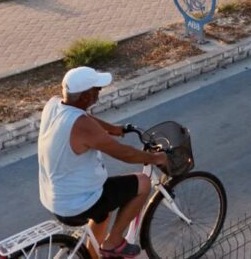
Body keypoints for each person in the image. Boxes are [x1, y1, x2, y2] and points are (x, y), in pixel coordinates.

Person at [38, 66, 168, 258]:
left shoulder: (55, 104)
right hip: (77, 203)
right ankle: (113, 243)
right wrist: (156, 158)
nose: (99, 92)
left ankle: (93, 255)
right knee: (143, 183)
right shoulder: (81, 126)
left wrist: (113, 128)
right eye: (96, 89)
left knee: (103, 213)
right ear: (84, 96)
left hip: (53, 196)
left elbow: (84, 116)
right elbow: (124, 154)